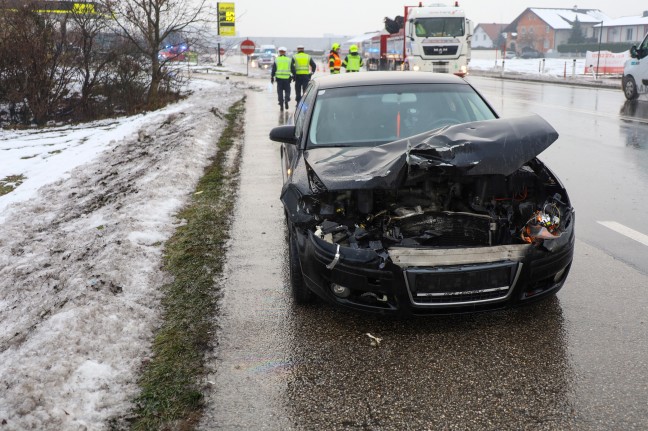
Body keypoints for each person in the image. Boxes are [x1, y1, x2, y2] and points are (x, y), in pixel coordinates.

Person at [271, 46, 292, 111]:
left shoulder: (277, 60)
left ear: (279, 52)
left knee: (280, 92)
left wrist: (272, 77)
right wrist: (294, 76)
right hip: (287, 79)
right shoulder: (289, 59)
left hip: (279, 79)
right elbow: (292, 69)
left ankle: (281, 105)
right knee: (287, 91)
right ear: (285, 52)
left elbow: (274, 69)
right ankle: (286, 99)